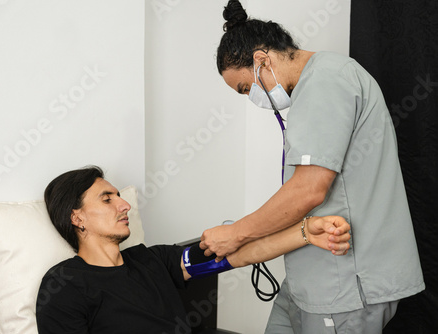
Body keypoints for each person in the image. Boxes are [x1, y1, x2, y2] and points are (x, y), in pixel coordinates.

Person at [199, 1, 425, 333]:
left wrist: (236, 233)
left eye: (246, 88)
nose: (252, 99)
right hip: (310, 276)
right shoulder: (315, 86)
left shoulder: (326, 80)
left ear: (262, 59)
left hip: (346, 283)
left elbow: (308, 191)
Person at [36, 165, 351, 334]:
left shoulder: (150, 260)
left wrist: (305, 233)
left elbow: (234, 256)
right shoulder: (64, 284)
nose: (124, 204)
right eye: (107, 198)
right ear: (76, 217)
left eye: (119, 195)